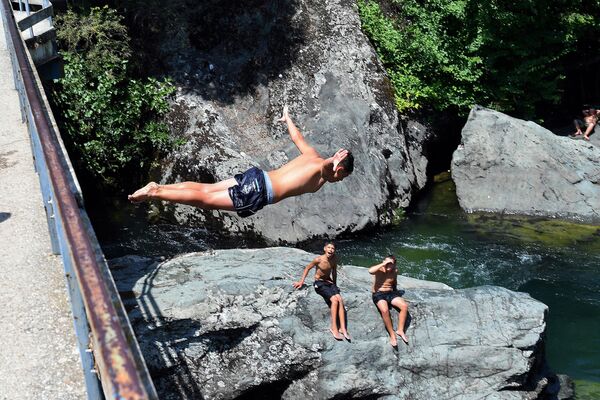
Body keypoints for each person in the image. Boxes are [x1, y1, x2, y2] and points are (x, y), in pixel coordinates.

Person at [128, 106, 354, 217]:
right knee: (206, 200)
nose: (338, 180)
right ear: (339, 169)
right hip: (260, 191)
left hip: (257, 175)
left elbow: (297, 137)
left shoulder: (311, 154)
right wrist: (331, 163)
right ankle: (155, 192)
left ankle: (159, 188)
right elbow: (324, 170)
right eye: (341, 176)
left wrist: (288, 119)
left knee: (206, 190)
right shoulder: (323, 170)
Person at [293, 242, 351, 341]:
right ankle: (334, 328)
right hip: (319, 283)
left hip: (329, 282)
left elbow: (334, 272)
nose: (331, 250)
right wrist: (301, 282)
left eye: (332, 248)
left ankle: (343, 328)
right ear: (325, 248)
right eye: (329, 247)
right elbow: (307, 268)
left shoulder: (334, 259)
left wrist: (335, 286)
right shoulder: (318, 259)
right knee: (334, 300)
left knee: (340, 299)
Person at [369, 255, 409, 347]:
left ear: (394, 265)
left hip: (390, 293)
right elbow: (370, 271)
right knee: (385, 310)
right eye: (387, 263)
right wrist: (383, 263)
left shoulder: (395, 271)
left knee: (404, 306)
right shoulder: (379, 269)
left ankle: (400, 330)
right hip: (379, 294)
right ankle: (392, 334)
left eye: (390, 264)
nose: (388, 265)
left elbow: (394, 282)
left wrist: (396, 292)